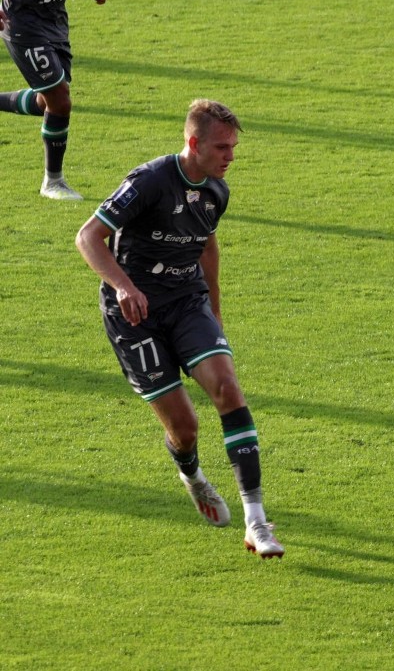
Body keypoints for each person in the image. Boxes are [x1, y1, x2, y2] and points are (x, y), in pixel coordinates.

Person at [75, 99, 284, 559]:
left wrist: (214, 309)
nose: (230, 156)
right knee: (185, 428)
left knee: (228, 388)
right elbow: (88, 236)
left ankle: (255, 520)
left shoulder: (217, 190)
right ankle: (191, 473)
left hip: (187, 303)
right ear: (193, 143)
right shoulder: (148, 181)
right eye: (222, 147)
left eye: (234, 147)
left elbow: (207, 245)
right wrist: (124, 286)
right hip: (134, 313)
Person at [0, 0, 108, 200]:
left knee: (46, 103)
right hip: (23, 20)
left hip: (54, 19)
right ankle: (53, 181)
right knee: (59, 100)